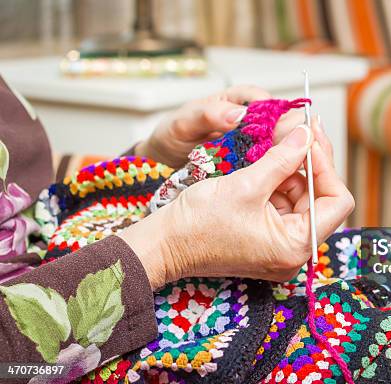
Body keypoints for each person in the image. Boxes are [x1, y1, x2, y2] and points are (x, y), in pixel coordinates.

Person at [0, 76, 354, 380]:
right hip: (56, 340)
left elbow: (24, 192)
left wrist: (153, 157)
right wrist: (168, 250)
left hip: (80, 252)